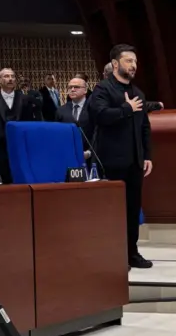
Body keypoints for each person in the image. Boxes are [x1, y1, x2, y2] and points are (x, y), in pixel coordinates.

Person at [89, 44, 154, 270]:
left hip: (134, 161)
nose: (133, 65)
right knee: (113, 210)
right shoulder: (102, 89)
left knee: (132, 209)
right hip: (111, 161)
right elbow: (99, 115)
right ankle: (114, 254)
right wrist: (126, 109)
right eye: (128, 61)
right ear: (115, 64)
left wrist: (147, 155)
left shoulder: (138, 93)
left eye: (135, 61)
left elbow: (144, 126)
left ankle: (131, 253)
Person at [0, 68, 38, 184]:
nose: (10, 79)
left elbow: (29, 124)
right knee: (2, 181)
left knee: (22, 179)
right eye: (6, 76)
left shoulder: (25, 99)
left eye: (12, 76)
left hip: (20, 147)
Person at [55, 75, 94, 160]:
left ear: (85, 90)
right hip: (67, 155)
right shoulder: (61, 110)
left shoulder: (93, 109)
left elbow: (98, 134)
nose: (72, 89)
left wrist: (90, 152)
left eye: (76, 87)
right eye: (70, 87)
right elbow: (57, 134)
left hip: (91, 156)